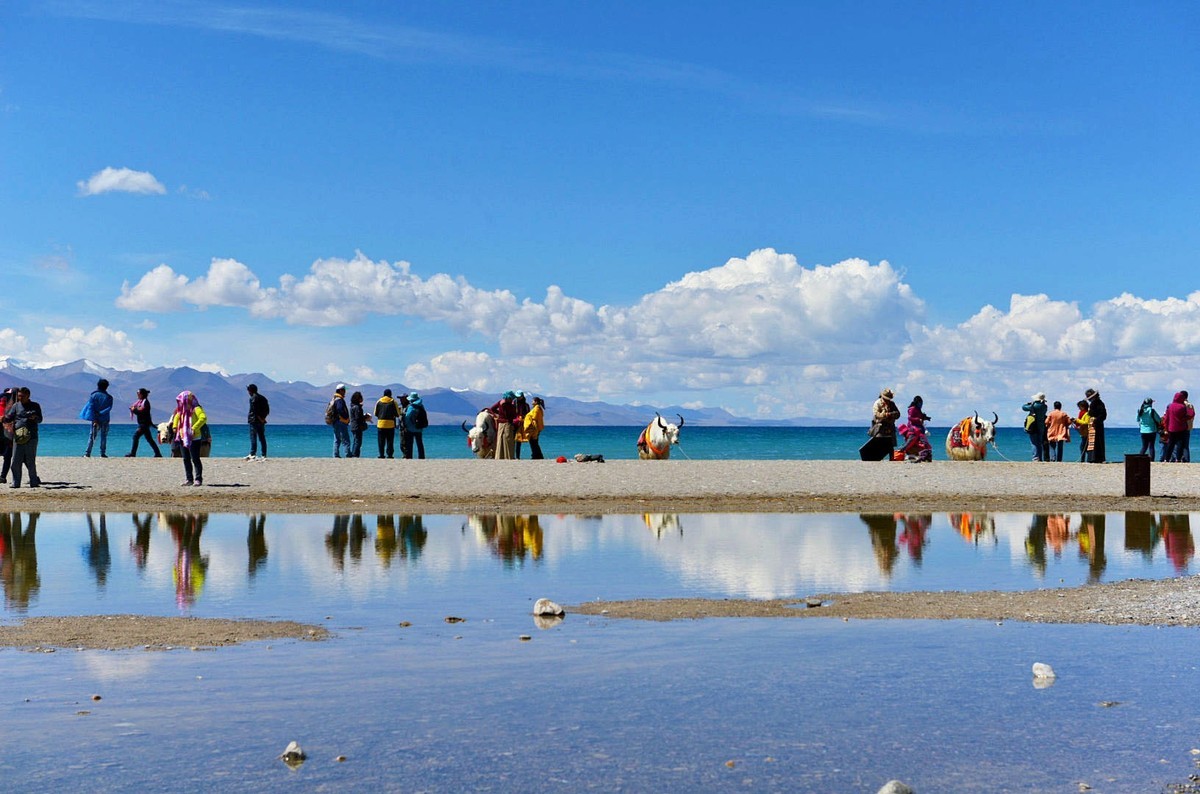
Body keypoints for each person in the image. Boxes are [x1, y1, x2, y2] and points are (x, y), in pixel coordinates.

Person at [4, 387, 42, 488]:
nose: (20, 398)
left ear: (28, 396)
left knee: (30, 461)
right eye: (19, 396)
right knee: (16, 461)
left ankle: (34, 482)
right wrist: (4, 418)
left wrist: (34, 417)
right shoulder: (16, 406)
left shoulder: (35, 406)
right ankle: (16, 483)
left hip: (32, 437)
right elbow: (9, 417)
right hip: (18, 437)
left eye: (22, 396)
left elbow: (40, 419)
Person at [170, 391, 208, 486]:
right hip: (183, 437)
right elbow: (177, 417)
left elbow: (203, 418)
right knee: (186, 458)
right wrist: (175, 426)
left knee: (195, 458)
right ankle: (189, 479)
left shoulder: (196, 409)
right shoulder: (181, 410)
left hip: (194, 438)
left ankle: (198, 479)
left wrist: (194, 427)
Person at [82, 378, 114, 458]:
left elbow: (91, 407)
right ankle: (102, 453)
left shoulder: (93, 396)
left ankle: (87, 453)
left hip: (95, 419)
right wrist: (101, 413)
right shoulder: (109, 397)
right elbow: (109, 408)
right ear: (106, 387)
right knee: (103, 436)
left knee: (92, 436)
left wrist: (95, 416)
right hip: (105, 419)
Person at [126, 388, 162, 457]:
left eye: (138, 394)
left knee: (136, 436)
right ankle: (158, 453)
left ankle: (133, 453)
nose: (137, 395)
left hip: (144, 424)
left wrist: (134, 410)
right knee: (149, 439)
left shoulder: (145, 402)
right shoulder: (141, 402)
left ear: (142, 394)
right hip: (144, 423)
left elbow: (142, 412)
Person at [1163, 392, 1193, 463]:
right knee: (1180, 444)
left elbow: (1166, 418)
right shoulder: (1182, 407)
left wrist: (1166, 428)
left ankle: (1166, 459)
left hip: (1171, 428)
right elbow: (1190, 415)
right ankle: (1178, 459)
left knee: (1170, 444)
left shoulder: (1170, 406)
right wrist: (1189, 407)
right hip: (1181, 428)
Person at [489, 391, 519, 459]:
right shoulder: (509, 405)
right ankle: (509, 456)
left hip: (500, 424)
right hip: (508, 424)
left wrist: (499, 413)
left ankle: (499, 456)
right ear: (509, 398)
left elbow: (492, 409)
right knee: (509, 441)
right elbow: (513, 415)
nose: (512, 399)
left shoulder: (500, 402)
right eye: (511, 398)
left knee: (500, 440)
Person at [1021, 392, 1049, 462]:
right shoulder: (1045, 406)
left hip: (1033, 426)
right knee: (1039, 442)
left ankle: (1035, 457)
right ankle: (1040, 457)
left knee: (1033, 442)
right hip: (1041, 426)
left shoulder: (1034, 405)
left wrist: (1029, 404)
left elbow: (1023, 407)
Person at [374, 388, 400, 458]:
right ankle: (390, 455)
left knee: (381, 441)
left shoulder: (378, 401)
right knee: (390, 441)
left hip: (380, 424)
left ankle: (381, 454)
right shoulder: (393, 402)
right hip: (390, 424)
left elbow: (375, 413)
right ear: (390, 394)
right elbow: (398, 414)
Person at [246, 384, 269, 460]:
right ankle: (264, 454)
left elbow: (255, 410)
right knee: (262, 438)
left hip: (254, 420)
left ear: (250, 390)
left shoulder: (252, 398)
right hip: (261, 421)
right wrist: (263, 418)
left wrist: (259, 418)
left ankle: (253, 454)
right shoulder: (263, 398)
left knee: (253, 437)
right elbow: (267, 410)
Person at [401, 391, 427, 459]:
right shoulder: (421, 406)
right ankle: (421, 456)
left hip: (410, 428)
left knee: (410, 443)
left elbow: (407, 416)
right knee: (420, 443)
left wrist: (405, 425)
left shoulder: (411, 406)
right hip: (419, 427)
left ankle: (409, 456)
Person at [1085, 387, 1107, 463]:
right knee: (1092, 441)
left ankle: (1097, 458)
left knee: (1098, 441)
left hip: (1098, 424)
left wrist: (1096, 420)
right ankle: (1092, 458)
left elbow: (1103, 415)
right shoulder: (1093, 404)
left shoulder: (1099, 403)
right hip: (1093, 424)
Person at [328, 384, 350, 458]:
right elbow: (340, 409)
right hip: (341, 421)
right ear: (340, 390)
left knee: (337, 439)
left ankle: (335, 454)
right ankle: (348, 453)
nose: (345, 392)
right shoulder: (339, 400)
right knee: (345, 438)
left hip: (335, 421)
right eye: (344, 390)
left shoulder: (334, 399)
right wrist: (346, 417)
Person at [348, 391, 371, 458]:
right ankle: (355, 455)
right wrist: (365, 417)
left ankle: (354, 454)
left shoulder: (352, 406)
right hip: (357, 426)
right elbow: (358, 418)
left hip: (353, 426)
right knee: (358, 441)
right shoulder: (357, 407)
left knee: (355, 441)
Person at [512, 391, 530, 458]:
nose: (518, 398)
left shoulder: (526, 405)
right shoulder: (513, 404)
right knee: (512, 441)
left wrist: (523, 418)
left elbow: (528, 415)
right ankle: (511, 455)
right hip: (513, 424)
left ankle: (517, 456)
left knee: (518, 441)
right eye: (517, 396)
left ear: (522, 396)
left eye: (519, 396)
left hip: (521, 425)